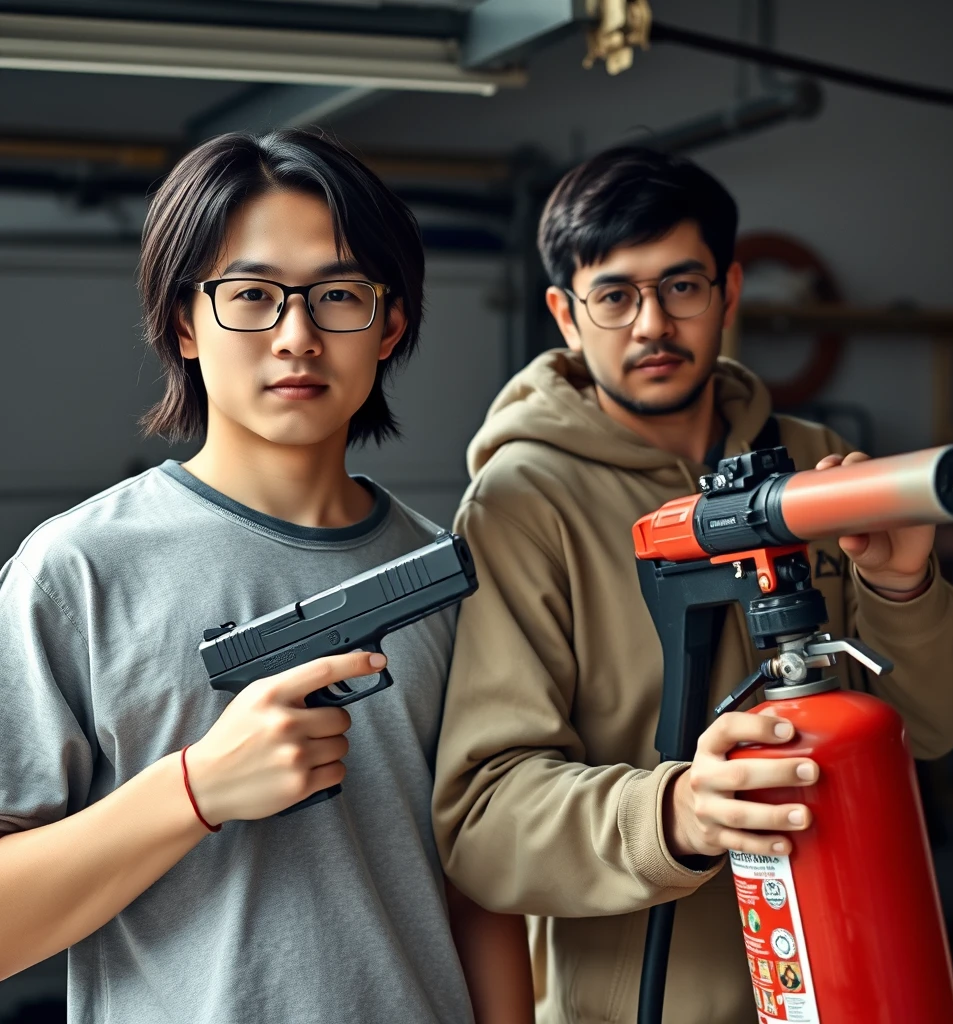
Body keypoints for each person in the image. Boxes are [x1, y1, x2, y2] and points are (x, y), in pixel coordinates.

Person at [432, 146, 953, 1024]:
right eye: (614, 295)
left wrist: (903, 588)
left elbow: (935, 728)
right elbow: (484, 822)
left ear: (728, 293)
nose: (651, 322)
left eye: (681, 286)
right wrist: (675, 813)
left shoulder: (812, 468)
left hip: (859, 980)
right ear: (565, 317)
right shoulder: (521, 503)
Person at [0, 129, 533, 1024]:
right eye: (252, 295)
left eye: (338, 297)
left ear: (390, 322)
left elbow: (481, 888)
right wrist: (197, 790)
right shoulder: (75, 574)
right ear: (184, 322)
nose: (297, 336)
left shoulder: (447, 576)